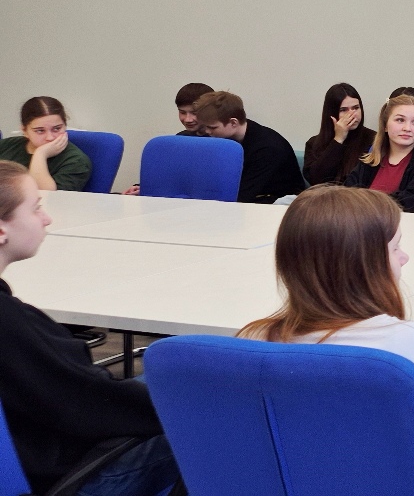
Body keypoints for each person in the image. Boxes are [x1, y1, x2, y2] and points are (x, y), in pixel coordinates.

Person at [238, 185, 414, 495]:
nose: (405, 257)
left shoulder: (251, 342)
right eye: (395, 247)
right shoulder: (405, 348)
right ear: (364, 265)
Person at [0, 161, 180, 495]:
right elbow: (82, 401)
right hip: (69, 477)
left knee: (176, 383)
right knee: (223, 415)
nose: (46, 218)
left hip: (38, 448)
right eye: (36, 208)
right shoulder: (10, 323)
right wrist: (185, 409)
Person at [344, 94, 414, 214]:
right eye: (400, 120)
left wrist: (365, 204)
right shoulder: (372, 159)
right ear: (385, 125)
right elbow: (347, 194)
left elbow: (412, 203)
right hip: (368, 221)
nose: (407, 128)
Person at [193, 91, 305, 204]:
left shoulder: (268, 149)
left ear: (233, 123)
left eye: (212, 127)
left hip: (277, 203)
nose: (207, 132)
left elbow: (243, 195)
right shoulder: (229, 138)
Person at [0, 97, 91, 192]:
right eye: (40, 131)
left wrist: (40, 154)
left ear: (65, 126)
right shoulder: (6, 145)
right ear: (25, 131)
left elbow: (43, 196)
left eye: (57, 129)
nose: (50, 137)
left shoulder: (76, 161)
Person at [303, 83, 376, 186]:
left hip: (357, 195)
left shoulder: (374, 139)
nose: (352, 114)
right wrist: (338, 140)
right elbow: (316, 181)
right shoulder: (314, 143)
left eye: (356, 108)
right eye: (343, 110)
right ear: (331, 114)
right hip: (324, 194)